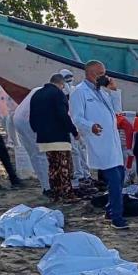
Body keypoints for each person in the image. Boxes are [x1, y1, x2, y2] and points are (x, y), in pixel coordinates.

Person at [70, 60, 129, 229]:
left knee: (120, 176)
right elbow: (77, 118)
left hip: (112, 142)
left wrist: (113, 91)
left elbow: (117, 111)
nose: (104, 76)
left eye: (104, 72)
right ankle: (117, 218)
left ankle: (111, 210)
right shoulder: (79, 92)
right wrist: (91, 126)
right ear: (90, 73)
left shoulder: (103, 92)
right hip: (99, 141)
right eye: (100, 73)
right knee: (115, 179)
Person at [30, 74, 79, 202]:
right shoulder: (58, 94)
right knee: (64, 166)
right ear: (61, 84)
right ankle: (67, 194)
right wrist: (73, 131)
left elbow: (32, 117)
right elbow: (63, 115)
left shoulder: (37, 94)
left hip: (44, 137)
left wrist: (38, 130)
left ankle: (56, 193)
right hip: (59, 136)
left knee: (53, 166)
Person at [12, 89, 51, 195]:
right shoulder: (51, 94)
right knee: (40, 153)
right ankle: (48, 187)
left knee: (34, 155)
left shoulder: (38, 89)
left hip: (18, 119)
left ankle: (45, 185)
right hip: (28, 121)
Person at [60, 68, 93, 188]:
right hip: (73, 124)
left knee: (80, 150)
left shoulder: (75, 91)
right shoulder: (65, 93)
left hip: (77, 124)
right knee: (76, 150)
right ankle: (81, 174)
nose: (69, 80)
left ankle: (84, 174)